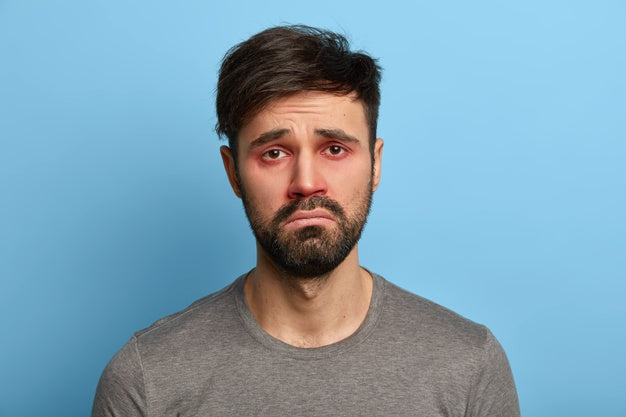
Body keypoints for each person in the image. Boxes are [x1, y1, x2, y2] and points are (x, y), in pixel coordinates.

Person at [92, 25, 520, 416]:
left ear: (374, 165)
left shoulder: (468, 364)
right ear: (232, 172)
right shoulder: (147, 379)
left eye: (334, 149)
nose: (307, 183)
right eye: (274, 153)